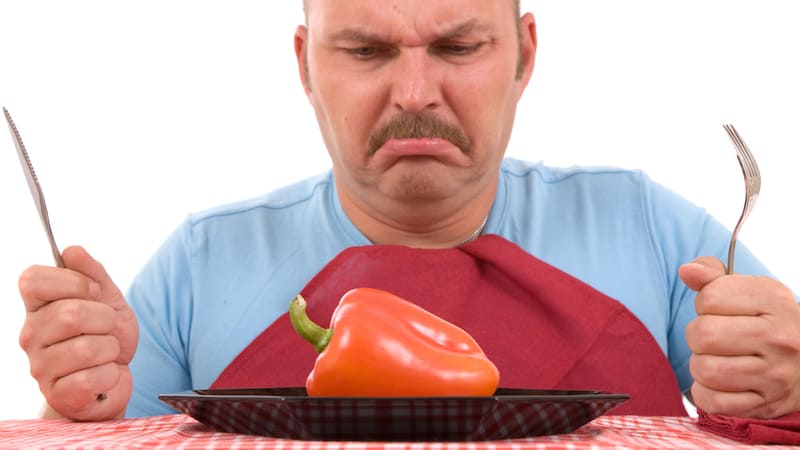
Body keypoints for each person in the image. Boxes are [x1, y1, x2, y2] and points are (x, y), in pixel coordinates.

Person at [16, 0, 800, 422]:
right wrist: (73, 407)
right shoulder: (198, 262)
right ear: (305, 64)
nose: (416, 94)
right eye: (366, 51)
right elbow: (102, 428)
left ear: (525, 54)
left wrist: (787, 389)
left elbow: (777, 405)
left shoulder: (655, 230)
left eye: (458, 47)